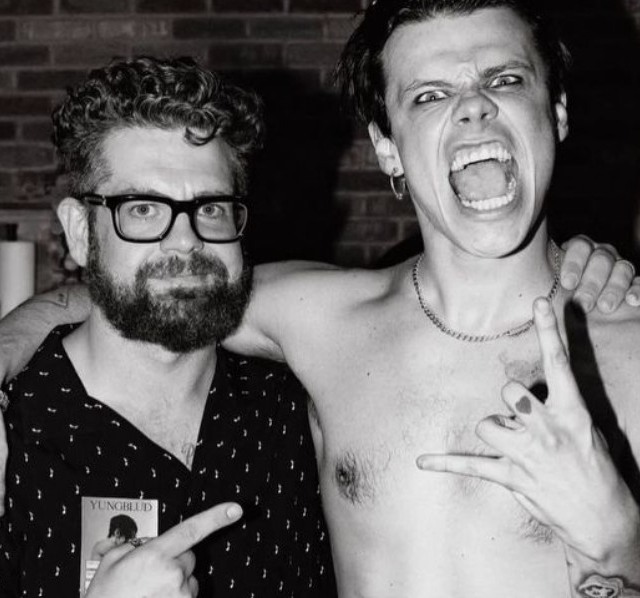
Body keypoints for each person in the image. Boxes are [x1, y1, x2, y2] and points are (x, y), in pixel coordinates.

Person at [1, 5, 640, 597]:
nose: (474, 107)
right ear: (387, 147)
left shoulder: (630, 351)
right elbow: (143, 293)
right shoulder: (319, 321)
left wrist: (623, 546)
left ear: (557, 111)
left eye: (504, 79)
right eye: (430, 94)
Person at [0, 56, 335, 598]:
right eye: (143, 209)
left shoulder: (301, 412)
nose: (186, 241)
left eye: (211, 208)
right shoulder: (15, 434)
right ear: (81, 232)